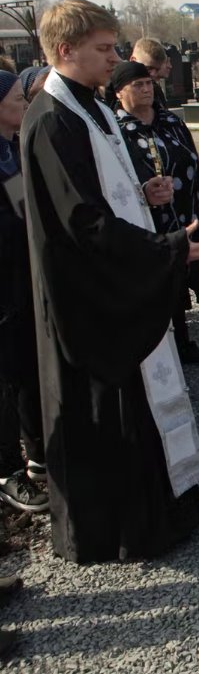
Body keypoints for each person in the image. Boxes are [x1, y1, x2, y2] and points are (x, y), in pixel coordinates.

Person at [20, 0, 199, 562]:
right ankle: (123, 529)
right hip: (88, 296)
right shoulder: (52, 120)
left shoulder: (93, 107)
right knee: (108, 411)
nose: (115, 58)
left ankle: (165, 508)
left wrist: (145, 198)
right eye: (103, 49)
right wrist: (166, 249)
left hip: (112, 278)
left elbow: (107, 193)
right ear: (64, 50)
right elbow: (83, 221)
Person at [112, 61, 199, 364]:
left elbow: (194, 164)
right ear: (119, 92)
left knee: (178, 280)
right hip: (145, 221)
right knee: (154, 283)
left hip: (182, 214)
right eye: (137, 85)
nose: (146, 90)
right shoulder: (116, 130)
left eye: (148, 83)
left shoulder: (171, 121)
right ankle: (157, 351)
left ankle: (182, 342)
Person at [0, 71, 47, 513]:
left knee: (28, 370)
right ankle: (7, 471)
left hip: (22, 280)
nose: (25, 103)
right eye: (17, 97)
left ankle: (39, 457)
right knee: (6, 381)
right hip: (4, 288)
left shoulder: (12, 150)